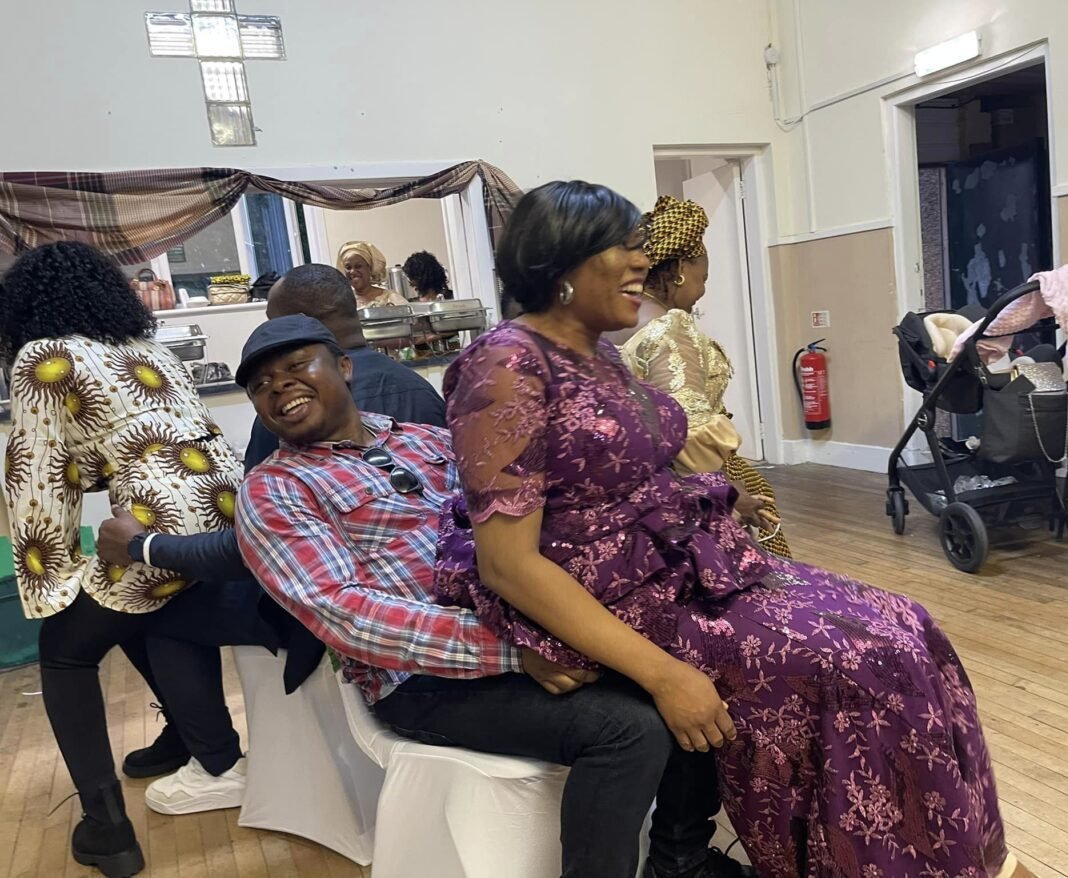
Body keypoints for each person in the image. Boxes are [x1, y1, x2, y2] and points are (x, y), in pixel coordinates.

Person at [432, 181, 1026, 878]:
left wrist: (715, 495)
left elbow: (620, 478)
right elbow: (507, 563)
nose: (640, 263)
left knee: (906, 626)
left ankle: (946, 859)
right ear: (560, 264)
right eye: (621, 248)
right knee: (857, 664)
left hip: (683, 568)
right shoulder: (505, 366)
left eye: (640, 248)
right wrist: (665, 676)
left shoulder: (602, 355)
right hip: (611, 598)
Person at [232, 315, 754, 878]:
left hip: (529, 623)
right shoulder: (273, 490)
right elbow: (348, 614)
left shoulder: (428, 439)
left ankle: (680, 862)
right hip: (424, 679)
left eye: (295, 366)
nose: (279, 387)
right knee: (628, 729)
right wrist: (515, 651)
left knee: (692, 667)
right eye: (261, 385)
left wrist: (695, 499)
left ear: (344, 366)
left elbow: (558, 500)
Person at [95, 264, 448, 816]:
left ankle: (216, 766)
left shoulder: (292, 417)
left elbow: (255, 550)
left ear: (311, 341)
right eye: (263, 382)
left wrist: (145, 547)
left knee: (166, 616)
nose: (279, 385)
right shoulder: (418, 399)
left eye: (287, 358)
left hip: (345, 621)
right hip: (426, 599)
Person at [0, 242, 243, 877]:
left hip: (160, 518)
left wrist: (49, 580)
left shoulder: (42, 358)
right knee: (127, 608)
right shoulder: (149, 350)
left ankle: (106, 828)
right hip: (225, 507)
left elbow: (38, 477)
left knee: (66, 649)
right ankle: (185, 736)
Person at [620, 196, 791, 559]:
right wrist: (727, 493)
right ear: (682, 267)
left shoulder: (614, 320)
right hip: (693, 486)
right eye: (704, 278)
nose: (702, 291)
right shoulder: (669, 325)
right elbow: (688, 428)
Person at [336, 240, 407, 309]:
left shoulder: (390, 298)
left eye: (358, 266)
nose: (352, 272)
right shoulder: (342, 303)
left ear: (369, 268)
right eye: (348, 268)